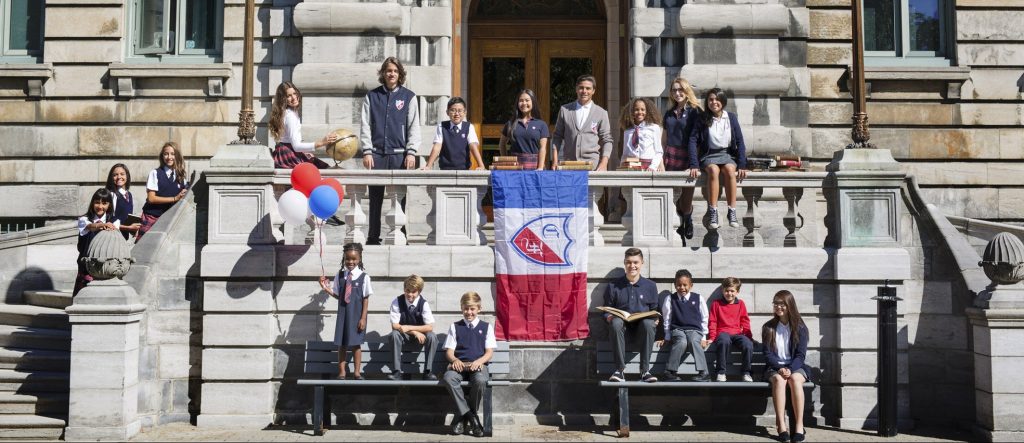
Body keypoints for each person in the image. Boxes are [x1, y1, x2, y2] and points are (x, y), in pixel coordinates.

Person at [359, 57, 420, 245]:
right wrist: (367, 151)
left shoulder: (409, 97)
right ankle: (373, 236)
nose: (391, 73)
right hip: (376, 153)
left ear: (400, 74)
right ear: (383, 74)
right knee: (375, 197)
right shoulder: (372, 96)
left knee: (399, 197)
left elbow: (414, 126)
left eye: (395, 71)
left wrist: (411, 152)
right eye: (388, 70)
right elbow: (365, 125)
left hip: (399, 154)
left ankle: (401, 233)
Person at [687, 87, 748, 230]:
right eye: (711, 99)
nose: (714, 102)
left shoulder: (731, 118)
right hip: (709, 154)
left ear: (723, 101)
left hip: (727, 154)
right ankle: (713, 210)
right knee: (714, 171)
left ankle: (732, 211)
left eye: (717, 99)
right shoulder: (702, 118)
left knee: (730, 170)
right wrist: (694, 164)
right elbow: (692, 140)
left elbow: (740, 141)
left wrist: (742, 165)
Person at [442, 291, 496, 437]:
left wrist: (480, 361)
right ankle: (473, 418)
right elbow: (449, 352)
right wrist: (455, 360)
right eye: (466, 308)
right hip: (459, 366)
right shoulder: (455, 327)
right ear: (461, 308)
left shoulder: (486, 327)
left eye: (472, 309)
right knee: (448, 378)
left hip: (478, 365)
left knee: (480, 380)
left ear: (479, 308)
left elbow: (489, 352)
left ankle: (462, 418)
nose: (469, 312)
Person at [603, 247, 660, 383]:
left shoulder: (650, 286)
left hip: (642, 331)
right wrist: (608, 317)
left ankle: (645, 371)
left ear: (642, 263)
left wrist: (655, 319)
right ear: (624, 263)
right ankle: (620, 371)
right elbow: (606, 310)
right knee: (615, 322)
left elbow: (654, 309)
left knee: (648, 323)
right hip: (621, 331)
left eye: (635, 262)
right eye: (628, 262)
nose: (632, 266)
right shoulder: (613, 286)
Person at [319, 243, 372, 380]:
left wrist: (363, 318)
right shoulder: (340, 275)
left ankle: (357, 372)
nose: (350, 262)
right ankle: (342, 372)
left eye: (354, 259)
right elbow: (338, 295)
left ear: (359, 259)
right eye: (348, 259)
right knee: (341, 344)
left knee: (356, 343)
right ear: (344, 258)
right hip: (343, 314)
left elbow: (365, 299)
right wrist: (326, 288)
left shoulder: (364, 277)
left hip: (356, 315)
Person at [763, 290, 810, 443]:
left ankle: (798, 425)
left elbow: (800, 355)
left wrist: (790, 368)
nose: (778, 307)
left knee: (795, 380)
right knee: (779, 380)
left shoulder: (800, 327)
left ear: (789, 305)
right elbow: (768, 354)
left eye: (782, 303)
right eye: (776, 303)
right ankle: (781, 426)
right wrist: (779, 368)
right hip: (775, 367)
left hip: (795, 366)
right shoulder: (768, 327)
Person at [663, 77, 702, 241]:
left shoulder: (695, 111)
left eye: (680, 90)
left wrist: (695, 163)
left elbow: (698, 139)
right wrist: (660, 160)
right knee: (673, 199)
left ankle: (688, 219)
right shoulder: (669, 113)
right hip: (670, 157)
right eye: (674, 90)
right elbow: (664, 138)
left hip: (688, 157)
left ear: (687, 92)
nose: (677, 93)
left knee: (686, 200)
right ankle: (679, 229)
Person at [656, 269, 710, 382]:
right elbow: (667, 318)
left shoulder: (698, 298)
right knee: (681, 342)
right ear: (675, 285)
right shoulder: (670, 299)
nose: (682, 288)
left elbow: (704, 318)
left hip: (695, 330)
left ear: (691, 285)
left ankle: (704, 372)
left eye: (685, 285)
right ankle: (670, 371)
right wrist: (667, 336)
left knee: (693, 341)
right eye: (679, 285)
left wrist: (704, 337)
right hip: (677, 329)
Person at [551, 74, 615, 171]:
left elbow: (607, 140)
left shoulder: (601, 113)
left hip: (592, 167)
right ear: (576, 89)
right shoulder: (565, 110)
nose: (584, 91)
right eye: (581, 88)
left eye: (588, 88)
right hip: (569, 165)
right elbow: (557, 137)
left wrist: (604, 163)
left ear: (593, 91)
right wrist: (555, 160)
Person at [268, 81, 338, 169]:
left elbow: (292, 143)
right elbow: (296, 146)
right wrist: (322, 142)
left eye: (294, 93)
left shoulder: (289, 112)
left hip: (286, 152)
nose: (294, 98)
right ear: (283, 99)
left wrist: (304, 152)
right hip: (289, 154)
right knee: (324, 171)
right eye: (289, 96)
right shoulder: (290, 116)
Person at [387, 274, 439, 381]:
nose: (410, 294)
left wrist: (409, 328)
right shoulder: (397, 302)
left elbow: (430, 327)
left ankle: (428, 371)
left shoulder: (423, 304)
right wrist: (414, 332)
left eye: (413, 292)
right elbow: (395, 325)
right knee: (394, 334)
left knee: (432, 336)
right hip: (404, 337)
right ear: (404, 289)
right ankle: (396, 372)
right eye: (407, 290)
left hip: (420, 340)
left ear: (419, 292)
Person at [138, 142, 188, 241]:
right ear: (162, 156)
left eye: (172, 154)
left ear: (177, 155)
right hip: (152, 217)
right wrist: (174, 198)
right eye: (166, 154)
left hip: (170, 219)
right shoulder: (155, 173)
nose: (169, 157)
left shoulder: (181, 177)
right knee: (143, 248)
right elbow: (151, 198)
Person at [73, 188, 119, 296]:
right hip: (86, 264)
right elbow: (90, 227)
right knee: (82, 296)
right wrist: (102, 225)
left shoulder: (114, 221)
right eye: (97, 202)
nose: (100, 206)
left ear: (109, 205)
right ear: (92, 203)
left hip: (104, 265)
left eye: (104, 203)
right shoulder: (84, 219)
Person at [708, 277, 754, 382]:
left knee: (748, 345)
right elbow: (713, 321)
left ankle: (746, 372)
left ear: (737, 292)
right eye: (727, 291)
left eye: (732, 291)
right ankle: (721, 372)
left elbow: (745, 321)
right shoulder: (716, 304)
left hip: (738, 333)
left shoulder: (740, 304)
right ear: (722, 291)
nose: (729, 293)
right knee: (724, 341)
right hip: (722, 333)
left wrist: (749, 337)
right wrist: (712, 337)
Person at [423, 97, 484, 171]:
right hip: (445, 170)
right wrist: (428, 166)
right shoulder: (442, 126)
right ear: (447, 112)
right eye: (453, 110)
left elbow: (473, 146)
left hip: (464, 170)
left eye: (460, 111)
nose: (457, 114)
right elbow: (437, 147)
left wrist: (481, 165)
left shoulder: (469, 127)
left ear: (465, 112)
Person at [497, 89, 549, 170]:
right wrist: (507, 162)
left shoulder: (541, 124)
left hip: (536, 170)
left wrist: (540, 167)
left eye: (527, 100)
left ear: (533, 102)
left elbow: (543, 148)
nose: (524, 103)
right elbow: (502, 144)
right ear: (517, 104)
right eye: (521, 101)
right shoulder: (510, 124)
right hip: (515, 170)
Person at [618, 97, 663, 172]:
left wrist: (653, 166)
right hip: (631, 166)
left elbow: (658, 151)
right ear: (632, 112)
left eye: (643, 109)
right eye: (636, 110)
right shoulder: (627, 131)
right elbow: (625, 153)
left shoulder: (654, 128)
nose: (640, 112)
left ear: (647, 111)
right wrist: (621, 167)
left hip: (648, 166)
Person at [104, 163, 140, 241]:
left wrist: (134, 230)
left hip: (123, 238)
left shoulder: (129, 195)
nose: (119, 177)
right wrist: (129, 228)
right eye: (115, 175)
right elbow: (108, 221)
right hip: (112, 238)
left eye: (122, 174)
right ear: (111, 178)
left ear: (127, 176)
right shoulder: (112, 194)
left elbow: (126, 218)